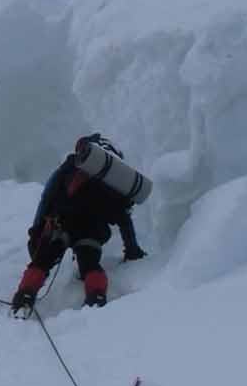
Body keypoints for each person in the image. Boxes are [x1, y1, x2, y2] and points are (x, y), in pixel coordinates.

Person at [11, 134, 148, 313]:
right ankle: (96, 298)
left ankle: (24, 298)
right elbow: (123, 217)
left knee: (42, 261)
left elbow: (47, 198)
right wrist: (132, 249)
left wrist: (36, 233)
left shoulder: (70, 168)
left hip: (62, 224)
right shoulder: (110, 180)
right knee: (90, 264)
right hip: (92, 230)